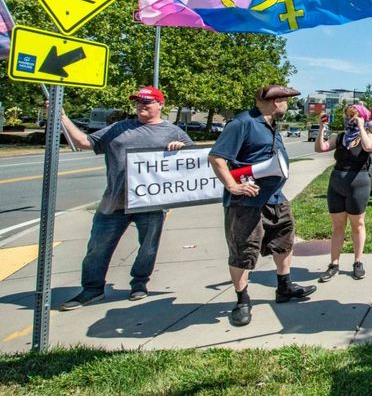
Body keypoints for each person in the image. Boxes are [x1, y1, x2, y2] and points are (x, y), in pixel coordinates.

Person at [56, 86, 192, 310]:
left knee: (147, 248)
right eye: (138, 102)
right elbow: (83, 142)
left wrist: (181, 148)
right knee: (97, 248)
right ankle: (92, 290)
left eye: (147, 102)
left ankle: (139, 284)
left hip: (150, 203)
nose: (141, 106)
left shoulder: (173, 131)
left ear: (161, 105)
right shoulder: (119, 128)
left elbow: (194, 162)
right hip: (114, 202)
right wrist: (62, 117)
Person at [209, 84, 315, 328]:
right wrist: (233, 186)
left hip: (275, 198)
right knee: (244, 250)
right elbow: (216, 157)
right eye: (286, 101)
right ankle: (242, 301)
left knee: (284, 241)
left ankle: (284, 286)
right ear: (275, 102)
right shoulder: (242, 123)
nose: (288, 106)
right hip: (247, 202)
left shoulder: (271, 126)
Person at [314, 104, 372, 284]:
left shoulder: (369, 135)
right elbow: (321, 148)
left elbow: (369, 147)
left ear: (363, 117)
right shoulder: (340, 137)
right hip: (337, 182)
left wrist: (362, 127)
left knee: (358, 224)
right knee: (338, 226)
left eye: (354, 116)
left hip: (358, 182)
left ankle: (358, 261)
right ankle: (334, 263)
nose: (351, 119)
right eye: (348, 116)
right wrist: (321, 128)